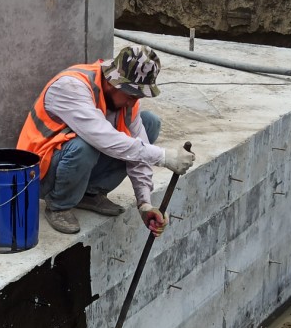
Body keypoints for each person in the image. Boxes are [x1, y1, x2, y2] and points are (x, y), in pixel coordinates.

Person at [16, 45, 195, 235]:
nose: (133, 102)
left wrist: (145, 204)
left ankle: (90, 193)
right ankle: (59, 205)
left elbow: (139, 148)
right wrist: (165, 157)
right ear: (113, 81)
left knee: (149, 123)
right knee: (85, 145)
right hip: (38, 175)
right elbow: (105, 139)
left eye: (138, 96)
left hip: (75, 164)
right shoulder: (71, 86)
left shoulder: (127, 101)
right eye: (131, 95)